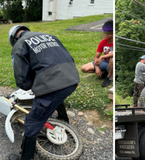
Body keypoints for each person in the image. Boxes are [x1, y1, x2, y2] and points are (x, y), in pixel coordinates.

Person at [8, 25, 80, 160]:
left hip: (54, 86)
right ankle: (63, 120)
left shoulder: (19, 45)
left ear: (14, 39)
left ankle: (26, 158)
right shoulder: (50, 37)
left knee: (32, 121)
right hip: (72, 78)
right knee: (57, 94)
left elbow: (23, 82)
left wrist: (33, 85)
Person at [81, 20, 113, 87]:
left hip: (112, 64)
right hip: (104, 62)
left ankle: (109, 78)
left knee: (112, 60)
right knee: (84, 68)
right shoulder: (103, 42)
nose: (105, 35)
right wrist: (97, 67)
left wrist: (102, 57)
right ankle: (104, 73)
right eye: (105, 33)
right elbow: (96, 56)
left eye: (108, 33)